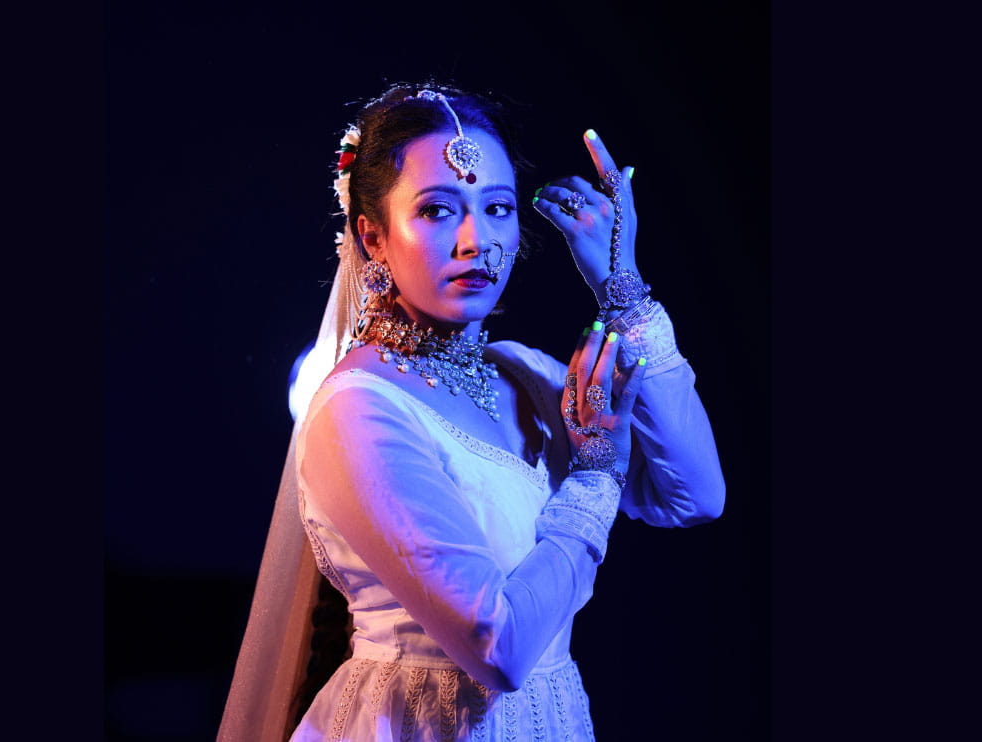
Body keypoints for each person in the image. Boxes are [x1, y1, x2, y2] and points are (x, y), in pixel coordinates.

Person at [217, 82, 725, 742]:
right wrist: (596, 476)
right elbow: (499, 648)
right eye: (436, 210)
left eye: (497, 208)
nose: (475, 240)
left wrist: (620, 287)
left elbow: (695, 496)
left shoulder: (526, 375)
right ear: (372, 236)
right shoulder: (359, 411)